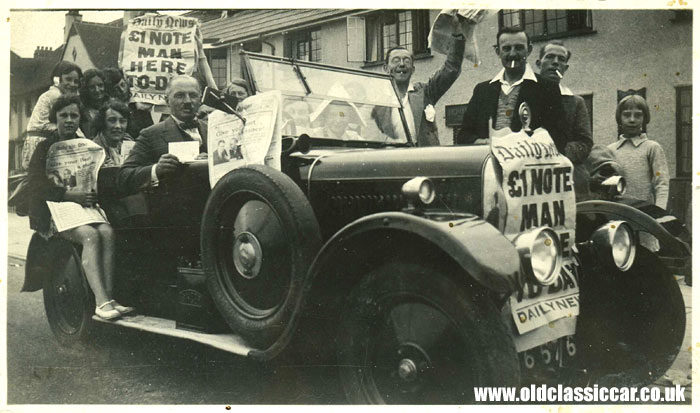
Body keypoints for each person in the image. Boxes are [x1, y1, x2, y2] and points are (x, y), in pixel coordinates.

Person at [25, 95, 133, 320]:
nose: (69, 120)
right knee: (89, 236)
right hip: (55, 206)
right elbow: (35, 184)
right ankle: (101, 302)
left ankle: (110, 298)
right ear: (55, 118)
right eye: (63, 115)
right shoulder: (45, 147)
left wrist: (93, 191)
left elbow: (95, 176)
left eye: (74, 115)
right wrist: (68, 194)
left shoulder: (87, 147)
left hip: (83, 205)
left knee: (107, 232)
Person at [456, 27, 569, 154]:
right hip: (488, 166)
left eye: (519, 48)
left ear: (529, 50)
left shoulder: (547, 88)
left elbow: (559, 137)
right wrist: (479, 142)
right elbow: (463, 135)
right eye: (506, 48)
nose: (513, 54)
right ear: (498, 52)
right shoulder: (483, 90)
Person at [371, 16, 465, 146]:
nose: (402, 64)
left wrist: (457, 35)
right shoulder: (377, 101)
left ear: (413, 69)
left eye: (407, 60)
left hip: (422, 161)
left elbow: (451, 68)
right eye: (396, 60)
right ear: (386, 68)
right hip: (390, 162)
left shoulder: (424, 93)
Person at [118, 75, 208, 194]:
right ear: (167, 101)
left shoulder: (212, 130)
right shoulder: (150, 134)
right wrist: (156, 169)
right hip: (173, 209)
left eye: (193, 95)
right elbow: (124, 177)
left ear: (200, 99)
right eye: (180, 95)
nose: (187, 101)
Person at [535, 41, 593, 195]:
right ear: (538, 63)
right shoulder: (526, 96)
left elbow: (585, 143)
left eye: (561, 59)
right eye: (550, 57)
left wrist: (554, 154)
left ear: (565, 68)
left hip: (566, 175)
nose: (555, 63)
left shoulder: (575, 102)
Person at [608, 95, 669, 209]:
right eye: (626, 115)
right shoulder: (610, 150)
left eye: (638, 115)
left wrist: (659, 213)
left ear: (645, 118)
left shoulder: (652, 148)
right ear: (619, 118)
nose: (632, 120)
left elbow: (661, 184)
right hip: (618, 213)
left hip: (644, 213)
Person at [22, 61, 83, 169]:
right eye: (68, 79)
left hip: (41, 139)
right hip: (42, 141)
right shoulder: (56, 96)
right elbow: (72, 125)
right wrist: (85, 141)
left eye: (76, 81)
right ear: (57, 79)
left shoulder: (56, 94)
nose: (72, 84)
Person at [92, 99, 134, 167]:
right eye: (112, 121)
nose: (118, 126)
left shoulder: (131, 146)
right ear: (102, 123)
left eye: (122, 121)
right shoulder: (93, 151)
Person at [79, 69, 107, 139]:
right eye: (92, 87)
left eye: (100, 85)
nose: (97, 90)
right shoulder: (81, 109)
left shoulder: (112, 105)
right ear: (86, 89)